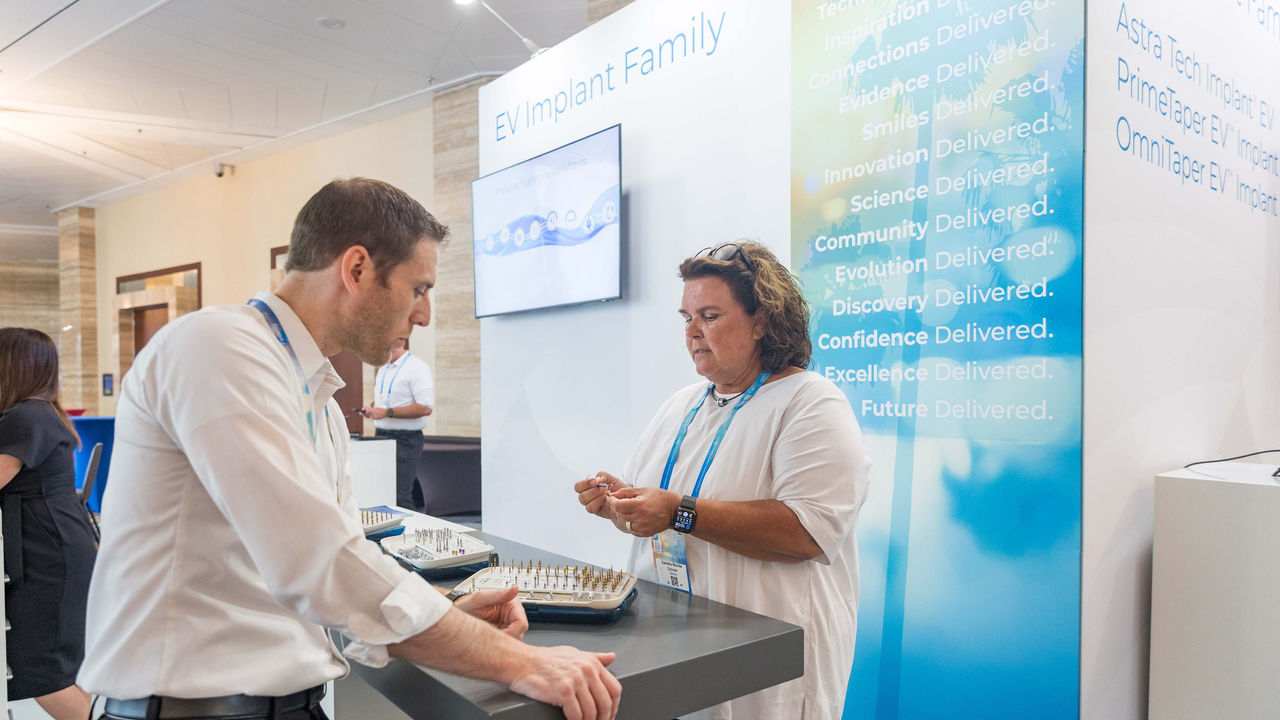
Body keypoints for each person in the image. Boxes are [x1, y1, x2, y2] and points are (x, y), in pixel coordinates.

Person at [81, 178, 621, 720]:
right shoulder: (219, 346)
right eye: (419, 289)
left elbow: (335, 568)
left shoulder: (317, 399)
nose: (424, 315)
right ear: (357, 269)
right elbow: (321, 564)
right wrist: (521, 662)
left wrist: (448, 613)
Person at [573, 241, 870, 720]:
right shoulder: (682, 404)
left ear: (762, 321)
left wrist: (677, 511)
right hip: (673, 650)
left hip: (765, 663)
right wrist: (620, 506)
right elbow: (656, 511)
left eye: (709, 316)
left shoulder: (811, 403)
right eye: (686, 318)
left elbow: (808, 533)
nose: (692, 332)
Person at [0, 327, 97, 720]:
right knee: (58, 666)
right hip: (58, 546)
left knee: (43, 672)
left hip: (47, 554)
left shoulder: (24, 416)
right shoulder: (40, 411)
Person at [361, 337, 434, 509]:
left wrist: (386, 412)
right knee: (381, 493)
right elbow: (388, 400)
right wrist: (373, 409)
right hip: (381, 437)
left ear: (399, 342)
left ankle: (410, 527)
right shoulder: (383, 368)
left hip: (405, 440)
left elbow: (425, 408)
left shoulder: (417, 367)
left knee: (400, 496)